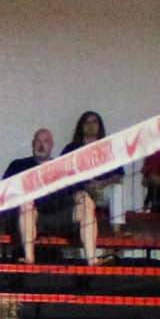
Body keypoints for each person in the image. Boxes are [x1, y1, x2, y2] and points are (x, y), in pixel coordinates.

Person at [60, 110, 113, 264]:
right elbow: (62, 174)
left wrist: (103, 183)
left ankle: (118, 230)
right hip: (80, 192)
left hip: (102, 189)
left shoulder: (107, 147)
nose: (91, 126)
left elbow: (118, 174)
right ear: (81, 126)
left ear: (100, 126)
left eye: (94, 122)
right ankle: (92, 259)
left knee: (117, 189)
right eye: (87, 122)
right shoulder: (71, 148)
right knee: (86, 202)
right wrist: (85, 185)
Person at [4, 128, 56, 262]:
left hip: (52, 218)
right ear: (32, 145)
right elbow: (5, 192)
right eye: (37, 141)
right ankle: (28, 257)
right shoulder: (18, 165)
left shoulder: (59, 167)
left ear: (51, 145)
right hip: (22, 215)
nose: (41, 145)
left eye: (45, 141)